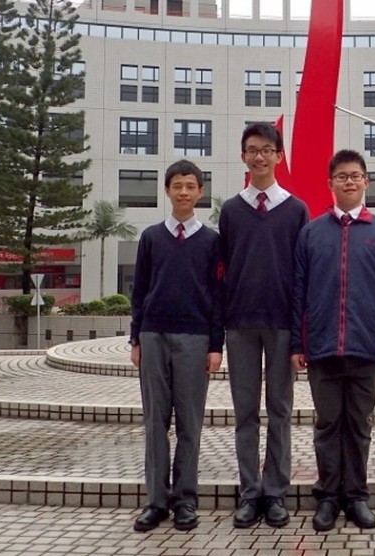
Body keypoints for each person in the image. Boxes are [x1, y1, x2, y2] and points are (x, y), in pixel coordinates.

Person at [291, 150, 375, 531]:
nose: (349, 181)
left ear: (366, 182)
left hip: (366, 348)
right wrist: (297, 344)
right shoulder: (311, 233)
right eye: (342, 176)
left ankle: (355, 496)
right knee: (327, 424)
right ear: (331, 183)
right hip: (322, 347)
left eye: (355, 176)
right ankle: (327, 497)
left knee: (358, 425)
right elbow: (299, 291)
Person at [219, 123, 310, 529]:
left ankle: (275, 493)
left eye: (267, 150)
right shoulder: (231, 210)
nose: (259, 157)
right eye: (252, 150)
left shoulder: (296, 209)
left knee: (279, 410)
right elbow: (223, 269)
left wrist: (300, 332)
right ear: (243, 156)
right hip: (240, 324)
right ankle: (249, 493)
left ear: (279, 156)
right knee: (245, 413)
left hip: (281, 325)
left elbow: (303, 274)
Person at [129, 160, 224, 533]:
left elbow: (217, 296)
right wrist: (135, 338)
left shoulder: (212, 242)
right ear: (167, 190)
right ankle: (156, 501)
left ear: (200, 192)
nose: (183, 192)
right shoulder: (151, 238)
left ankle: (185, 500)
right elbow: (139, 291)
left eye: (190, 186)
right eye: (177, 185)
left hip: (195, 339)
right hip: (153, 336)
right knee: (155, 422)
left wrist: (215, 345)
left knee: (189, 423)